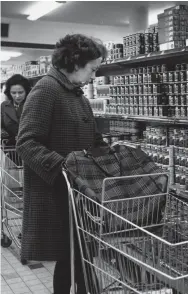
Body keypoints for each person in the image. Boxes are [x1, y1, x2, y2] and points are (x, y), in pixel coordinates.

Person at [16, 34, 108, 294]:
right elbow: (26, 142)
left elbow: (93, 138)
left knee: (78, 259)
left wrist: (111, 154)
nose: (94, 73)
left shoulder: (77, 96)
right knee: (71, 259)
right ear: (75, 62)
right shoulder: (46, 90)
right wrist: (65, 168)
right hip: (57, 192)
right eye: (93, 67)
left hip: (77, 196)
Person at [1, 74, 31, 146]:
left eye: (20, 92)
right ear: (9, 93)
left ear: (26, 91)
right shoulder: (4, 106)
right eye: (13, 93)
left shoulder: (33, 104)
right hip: (10, 147)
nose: (17, 96)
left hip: (29, 146)